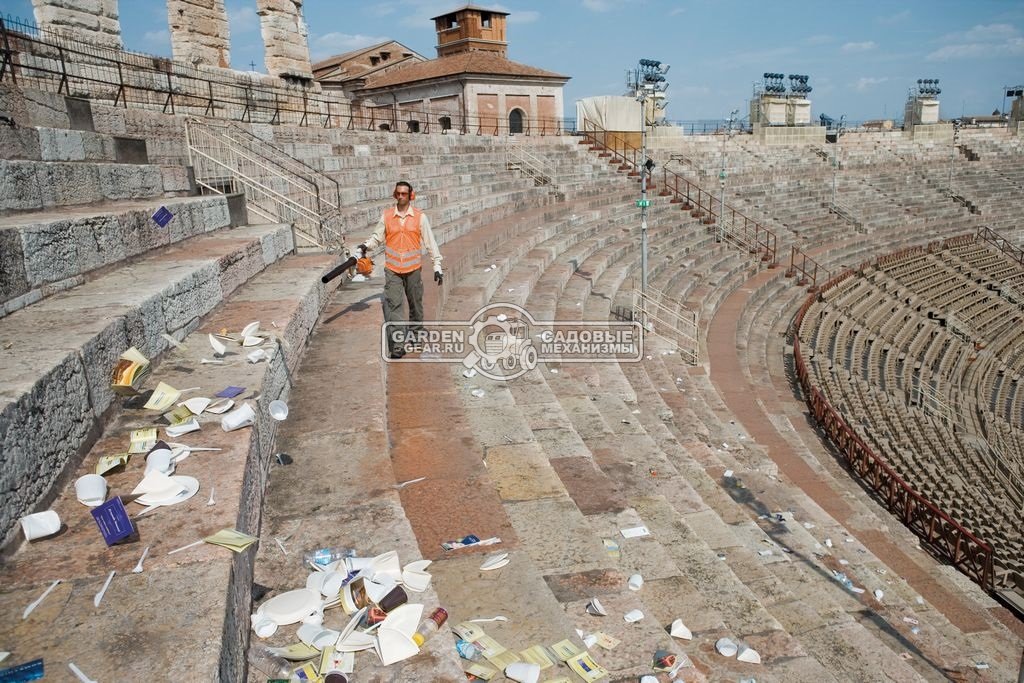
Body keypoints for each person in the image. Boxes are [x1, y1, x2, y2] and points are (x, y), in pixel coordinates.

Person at [358, 181, 443, 359]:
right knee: (394, 306)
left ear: (411, 195)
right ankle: (398, 345)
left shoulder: (420, 217)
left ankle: (416, 336)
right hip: (393, 270)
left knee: (415, 306)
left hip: (413, 269)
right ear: (394, 195)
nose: (401, 196)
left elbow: (430, 242)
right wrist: (366, 246)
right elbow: (376, 238)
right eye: (398, 193)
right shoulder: (387, 216)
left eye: (404, 194)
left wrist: (437, 266)